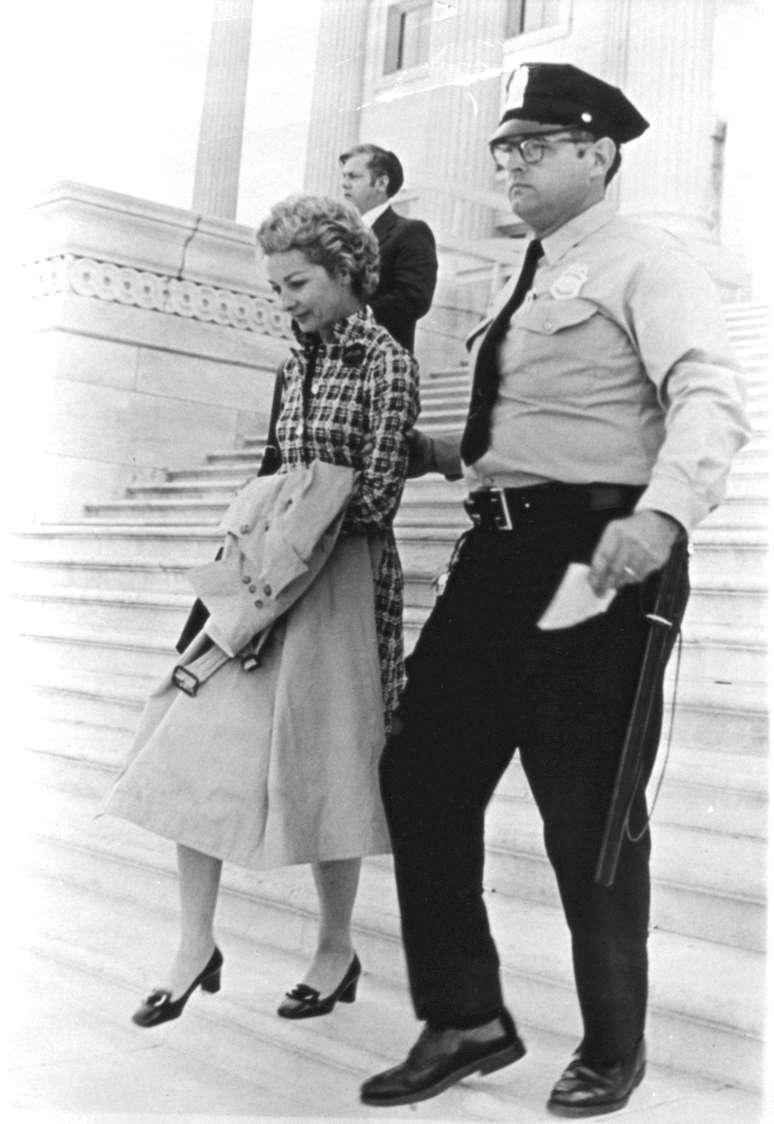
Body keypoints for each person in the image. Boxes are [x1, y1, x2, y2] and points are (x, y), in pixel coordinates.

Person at [360, 62, 749, 1116]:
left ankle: (613, 1043)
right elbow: (532, 424)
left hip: (600, 556)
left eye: (533, 148)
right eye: (502, 151)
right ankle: (468, 1014)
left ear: (599, 155)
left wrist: (661, 513)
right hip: (498, 553)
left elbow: (710, 396)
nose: (510, 167)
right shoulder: (522, 275)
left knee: (588, 809)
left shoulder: (645, 264)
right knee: (423, 770)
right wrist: (447, 447)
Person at [103, 195, 420, 1028]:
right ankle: (193, 943)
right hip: (265, 578)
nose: (287, 302)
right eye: (277, 287)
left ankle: (336, 946)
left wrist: (295, 512)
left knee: (331, 764)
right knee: (193, 743)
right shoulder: (296, 361)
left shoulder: (384, 362)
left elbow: (378, 493)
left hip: (342, 585)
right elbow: (279, 468)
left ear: (347, 272)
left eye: (298, 283)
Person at [340, 143, 437, 352]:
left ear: (382, 182)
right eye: (344, 176)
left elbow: (414, 298)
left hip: (381, 363)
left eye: (353, 177)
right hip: (330, 362)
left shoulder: (411, 232)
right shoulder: (339, 237)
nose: (344, 183)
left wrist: (349, 318)